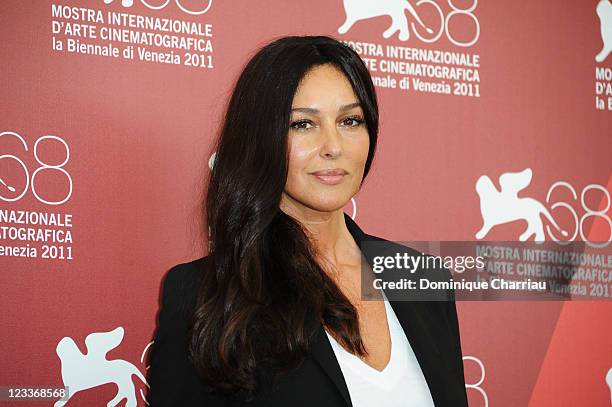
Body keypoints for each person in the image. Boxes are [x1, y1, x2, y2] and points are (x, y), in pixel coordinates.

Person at [147, 35, 468, 406]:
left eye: (350, 120)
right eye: (303, 124)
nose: (333, 145)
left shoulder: (420, 277)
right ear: (260, 137)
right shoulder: (208, 291)